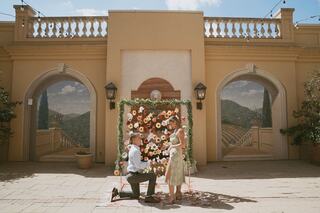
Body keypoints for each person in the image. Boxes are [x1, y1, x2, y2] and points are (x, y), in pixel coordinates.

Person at [111, 132, 160, 203]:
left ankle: (117, 193)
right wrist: (149, 163)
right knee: (152, 176)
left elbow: (137, 164)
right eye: (139, 138)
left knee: (135, 195)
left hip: (131, 175)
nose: (140, 139)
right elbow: (138, 165)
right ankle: (149, 197)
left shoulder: (134, 148)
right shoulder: (135, 150)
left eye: (140, 138)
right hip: (133, 176)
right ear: (133, 140)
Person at [165, 115, 186, 204]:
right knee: (175, 174)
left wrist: (171, 146)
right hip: (173, 155)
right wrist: (168, 146)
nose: (170, 125)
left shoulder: (180, 130)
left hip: (176, 156)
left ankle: (172, 197)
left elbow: (183, 145)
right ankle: (177, 193)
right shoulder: (175, 130)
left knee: (169, 175)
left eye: (171, 123)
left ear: (175, 122)